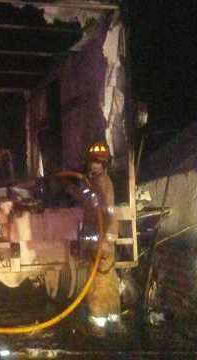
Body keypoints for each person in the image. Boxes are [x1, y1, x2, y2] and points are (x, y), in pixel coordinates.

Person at [82, 141, 121, 336]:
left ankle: (97, 326)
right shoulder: (104, 181)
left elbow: (98, 208)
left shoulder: (98, 183)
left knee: (98, 283)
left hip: (100, 240)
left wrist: (102, 239)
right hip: (106, 240)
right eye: (92, 162)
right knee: (109, 281)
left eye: (97, 162)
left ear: (104, 164)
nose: (93, 165)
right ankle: (114, 320)